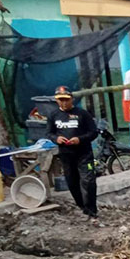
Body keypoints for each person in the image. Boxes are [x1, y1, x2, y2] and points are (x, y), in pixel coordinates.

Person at [45, 86, 99, 219]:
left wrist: (79, 139)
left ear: (72, 99)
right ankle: (82, 206)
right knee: (72, 182)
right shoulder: (53, 115)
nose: (63, 102)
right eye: (61, 100)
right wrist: (56, 139)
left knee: (88, 181)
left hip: (84, 154)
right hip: (66, 155)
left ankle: (92, 210)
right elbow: (48, 133)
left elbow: (93, 132)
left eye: (66, 100)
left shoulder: (82, 114)